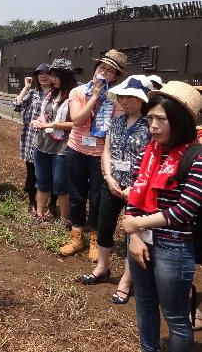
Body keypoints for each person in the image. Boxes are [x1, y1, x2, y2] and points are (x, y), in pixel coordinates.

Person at [121, 81, 202, 352]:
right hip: (140, 242)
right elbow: (134, 195)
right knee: (144, 305)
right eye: (150, 118)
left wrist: (137, 224)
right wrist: (134, 237)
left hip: (174, 247)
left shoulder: (196, 157)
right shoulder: (148, 153)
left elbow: (184, 210)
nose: (153, 126)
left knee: (176, 317)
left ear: (179, 121)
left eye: (161, 119)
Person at [80, 75, 153, 307]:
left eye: (131, 97)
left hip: (137, 188)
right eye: (122, 96)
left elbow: (152, 158)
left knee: (132, 233)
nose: (125, 101)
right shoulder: (117, 121)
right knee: (104, 226)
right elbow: (107, 151)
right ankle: (102, 267)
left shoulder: (150, 125)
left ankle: (126, 280)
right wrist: (109, 177)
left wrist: (136, 185)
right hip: (112, 183)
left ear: (142, 100)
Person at [60, 49, 127, 261]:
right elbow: (77, 120)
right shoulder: (78, 92)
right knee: (77, 193)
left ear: (115, 77)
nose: (103, 73)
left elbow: (115, 130)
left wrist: (104, 98)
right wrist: (95, 95)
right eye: (101, 68)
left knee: (97, 197)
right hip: (76, 149)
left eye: (109, 71)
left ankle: (96, 239)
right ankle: (77, 236)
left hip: (100, 155)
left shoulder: (117, 99)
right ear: (95, 69)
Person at [30, 58, 77, 226]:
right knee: (42, 181)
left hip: (61, 147)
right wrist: (38, 121)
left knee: (60, 185)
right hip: (41, 143)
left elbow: (76, 123)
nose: (53, 78)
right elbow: (45, 115)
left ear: (66, 77)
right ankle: (39, 214)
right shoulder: (51, 93)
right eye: (52, 75)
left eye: (57, 76)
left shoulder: (74, 96)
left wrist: (50, 125)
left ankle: (65, 219)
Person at [12, 63, 53, 216]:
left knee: (51, 173)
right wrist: (26, 87)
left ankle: (51, 205)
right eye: (40, 73)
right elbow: (16, 106)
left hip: (50, 141)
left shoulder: (57, 95)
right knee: (32, 173)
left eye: (47, 73)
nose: (43, 76)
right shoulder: (33, 93)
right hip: (31, 139)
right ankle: (33, 202)